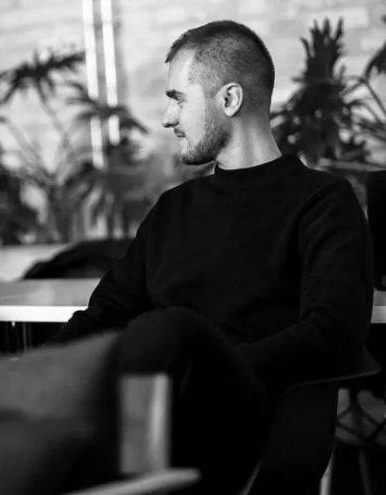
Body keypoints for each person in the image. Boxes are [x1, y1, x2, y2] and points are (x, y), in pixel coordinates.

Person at [52, 20, 374, 493]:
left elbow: (334, 332)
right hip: (150, 409)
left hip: (248, 416)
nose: (167, 118)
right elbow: (107, 311)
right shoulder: (173, 209)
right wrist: (26, 374)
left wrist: (213, 369)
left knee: (165, 331)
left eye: (178, 99)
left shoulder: (322, 202)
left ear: (229, 99)